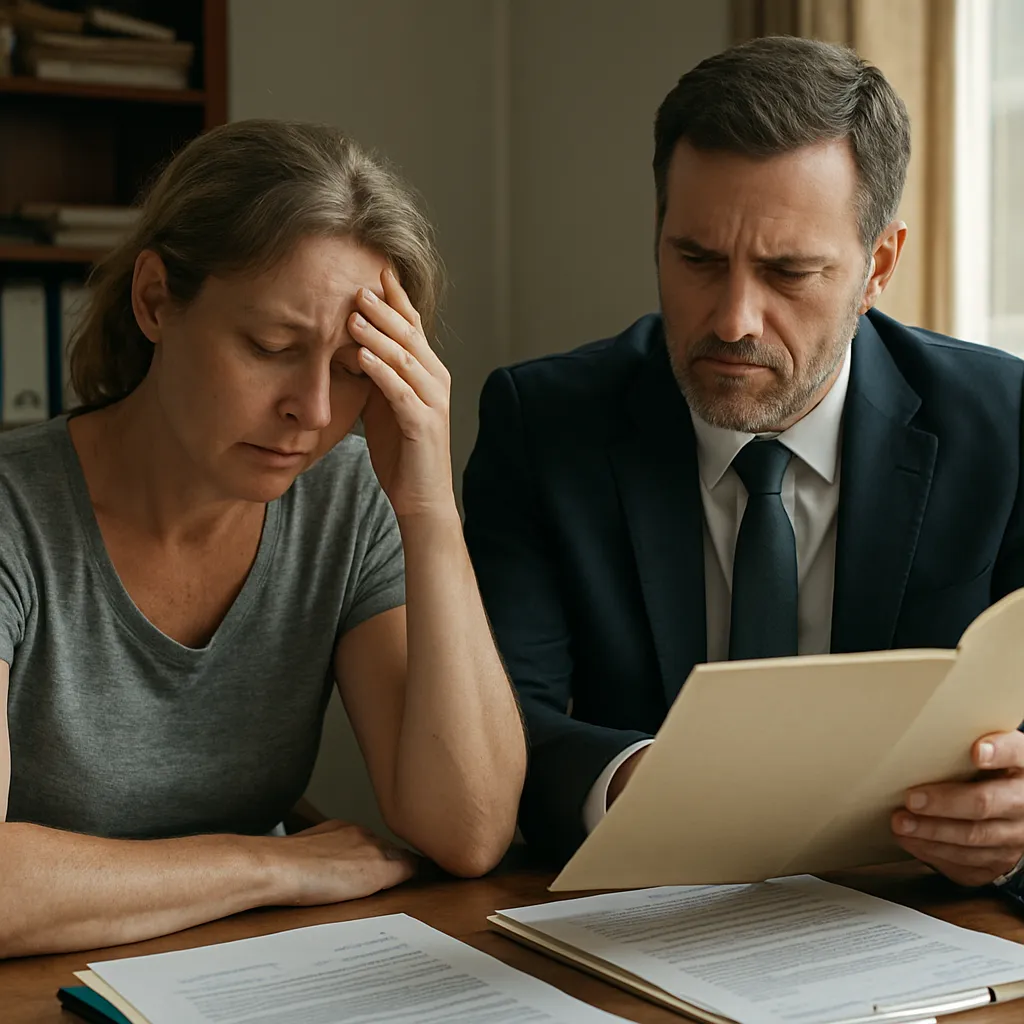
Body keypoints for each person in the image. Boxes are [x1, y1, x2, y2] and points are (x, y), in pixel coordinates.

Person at [463, 37, 1024, 899]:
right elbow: (496, 729)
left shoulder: (1006, 422)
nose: (731, 320)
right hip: (638, 919)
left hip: (917, 925)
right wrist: (645, 788)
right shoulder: (544, 426)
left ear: (879, 265)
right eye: (695, 260)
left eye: (787, 271)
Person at [0, 119, 526, 958]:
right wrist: (273, 866)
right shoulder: (12, 516)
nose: (314, 412)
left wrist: (428, 510)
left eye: (353, 369)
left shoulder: (345, 504)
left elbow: (467, 831)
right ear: (155, 302)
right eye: (272, 347)